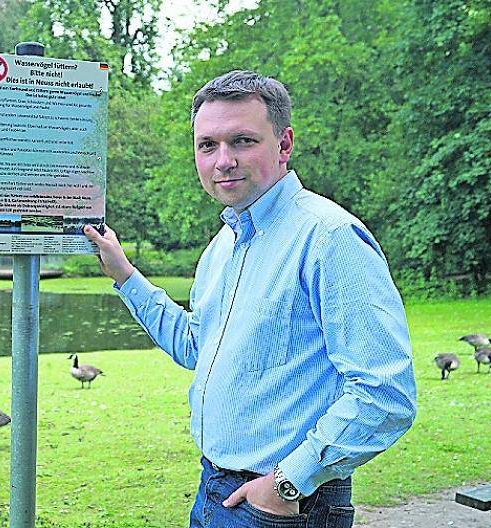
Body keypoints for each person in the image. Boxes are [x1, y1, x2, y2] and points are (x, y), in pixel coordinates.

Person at [83, 70, 416, 528]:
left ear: (284, 145)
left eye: (242, 141)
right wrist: (124, 274)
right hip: (215, 488)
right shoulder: (223, 245)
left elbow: (386, 393)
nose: (223, 161)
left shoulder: (328, 237)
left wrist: (285, 483)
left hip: (287, 504)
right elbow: (198, 348)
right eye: (208, 145)